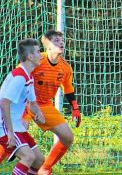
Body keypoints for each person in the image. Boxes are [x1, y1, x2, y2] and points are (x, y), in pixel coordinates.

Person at [22, 30, 81, 175]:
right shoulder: (35, 60)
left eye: (62, 40)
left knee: (68, 137)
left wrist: (75, 108)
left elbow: (68, 88)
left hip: (45, 105)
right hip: (25, 102)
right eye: (56, 41)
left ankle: (45, 168)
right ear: (47, 46)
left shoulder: (65, 67)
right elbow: (19, 79)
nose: (61, 43)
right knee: (17, 133)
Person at [0, 38, 46, 175]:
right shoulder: (19, 77)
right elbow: (4, 102)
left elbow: (32, 103)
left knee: (39, 160)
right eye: (38, 52)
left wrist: (39, 113)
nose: (41, 55)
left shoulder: (28, 77)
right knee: (28, 157)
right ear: (30, 56)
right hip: (5, 126)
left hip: (16, 126)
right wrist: (10, 132)